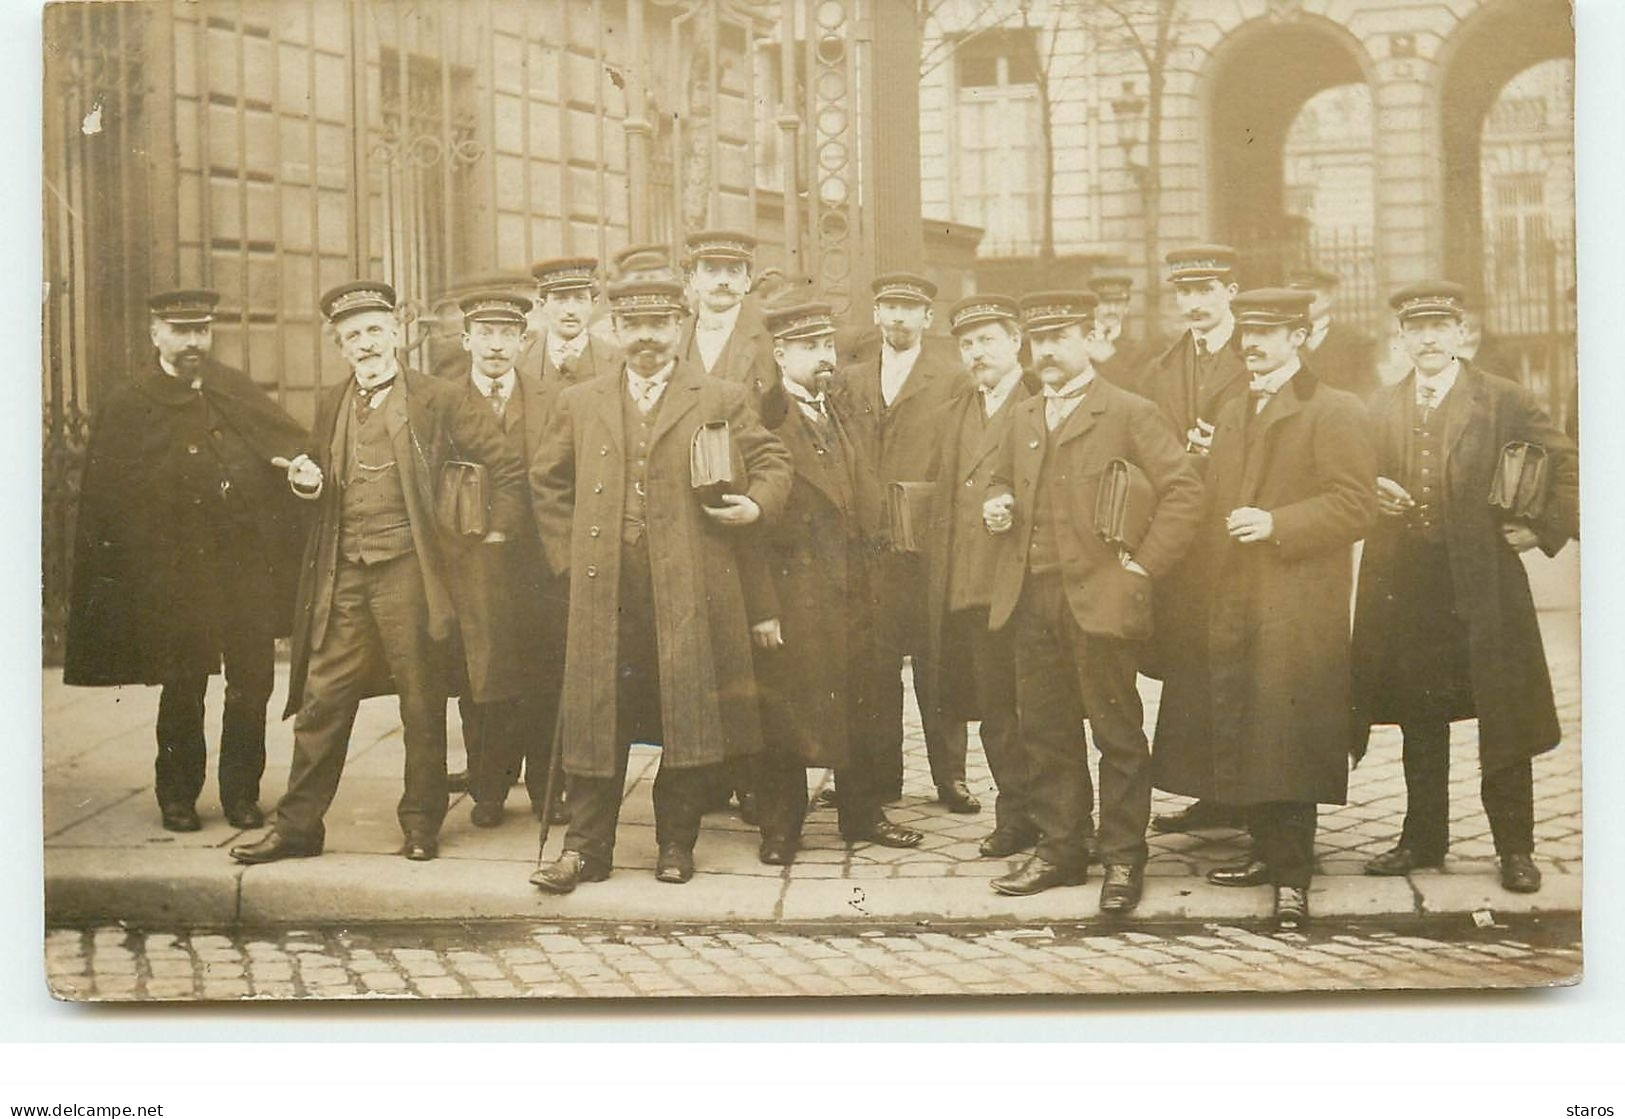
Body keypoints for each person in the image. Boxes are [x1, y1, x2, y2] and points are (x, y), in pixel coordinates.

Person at [230, 281, 527, 865]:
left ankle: (421, 822)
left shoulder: (438, 398)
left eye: (373, 331)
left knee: (420, 701)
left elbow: (506, 464)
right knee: (322, 698)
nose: (365, 344)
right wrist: (306, 481)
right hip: (345, 574)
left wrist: (495, 532)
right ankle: (298, 826)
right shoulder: (333, 400)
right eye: (352, 336)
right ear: (340, 347)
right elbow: (318, 468)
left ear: (395, 333)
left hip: (412, 573)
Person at [528, 278, 793, 892]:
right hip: (605, 587)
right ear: (615, 331)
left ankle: (676, 844)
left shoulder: (718, 395)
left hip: (689, 586)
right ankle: (585, 850)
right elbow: (547, 483)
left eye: (659, 324)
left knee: (687, 712)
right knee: (597, 714)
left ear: (681, 327)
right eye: (633, 325)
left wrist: (755, 505)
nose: (646, 337)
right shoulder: (581, 400)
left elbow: (774, 461)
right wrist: (574, 558)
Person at [1150, 288, 1376, 929]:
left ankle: (1293, 877)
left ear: (1300, 338)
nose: (1252, 343)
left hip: (1296, 599)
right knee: (1249, 720)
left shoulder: (1335, 410)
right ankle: (1266, 849)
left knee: (1288, 726)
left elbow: (1355, 505)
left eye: (1269, 332)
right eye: (1248, 331)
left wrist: (1277, 522)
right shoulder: (1231, 406)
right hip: (1232, 592)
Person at [1352, 280, 1578, 894]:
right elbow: (1351, 479)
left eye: (1439, 327)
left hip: (1483, 584)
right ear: (1400, 339)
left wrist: (1542, 526)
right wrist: (1373, 492)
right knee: (1420, 717)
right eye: (1415, 329)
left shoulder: (1503, 399)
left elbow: (1572, 462)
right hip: (1409, 586)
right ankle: (1423, 839)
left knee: (1502, 715)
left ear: (1461, 335)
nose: (1427, 338)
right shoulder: (1378, 406)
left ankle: (1516, 850)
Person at [981, 291, 1204, 911]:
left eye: (1060, 337)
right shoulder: (1023, 415)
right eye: (1038, 339)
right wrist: (996, 503)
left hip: (1100, 597)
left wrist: (1143, 566)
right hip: (1031, 596)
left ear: (1088, 340)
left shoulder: (1129, 411)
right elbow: (1001, 479)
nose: (1047, 351)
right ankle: (1061, 850)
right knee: (1046, 731)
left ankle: (1124, 859)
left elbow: (1184, 490)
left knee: (1117, 733)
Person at [65, 289, 313, 833]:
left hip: (245, 570)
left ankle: (241, 795)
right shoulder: (131, 403)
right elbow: (114, 502)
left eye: (201, 330)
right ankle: (177, 795)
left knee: (252, 683)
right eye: (180, 331)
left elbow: (286, 447)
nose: (193, 341)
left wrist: (295, 473)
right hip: (179, 575)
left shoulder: (232, 387)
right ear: (155, 334)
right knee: (185, 685)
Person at [746, 300, 924, 865]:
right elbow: (749, 531)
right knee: (786, 706)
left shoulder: (844, 408)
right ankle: (781, 827)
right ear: (780, 355)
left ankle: (862, 812)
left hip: (859, 584)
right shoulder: (761, 418)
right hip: (795, 590)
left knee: (866, 696)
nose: (824, 359)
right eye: (808, 348)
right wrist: (762, 608)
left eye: (827, 346)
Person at [836, 271, 976, 813]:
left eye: (908, 308)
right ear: (876, 314)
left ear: (927, 318)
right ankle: (881, 777)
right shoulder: (848, 378)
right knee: (874, 661)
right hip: (870, 542)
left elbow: (963, 453)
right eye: (888, 306)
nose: (896, 317)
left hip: (928, 539)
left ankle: (951, 777)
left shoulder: (953, 378)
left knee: (936, 659)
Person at [1137, 244, 1252, 836]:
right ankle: (1209, 793)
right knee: (1192, 665)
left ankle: (1251, 797)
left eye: (1206, 290)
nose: (1195, 303)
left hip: (1241, 536)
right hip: (1186, 539)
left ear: (1231, 292)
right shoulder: (1162, 367)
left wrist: (1221, 450)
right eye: (1185, 292)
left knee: (1242, 664)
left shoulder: (1254, 354)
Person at [446, 290, 567, 828]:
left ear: (524, 341)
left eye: (507, 334)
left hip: (538, 561)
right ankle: (488, 788)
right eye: (485, 334)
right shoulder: (442, 401)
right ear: (465, 340)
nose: (496, 346)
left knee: (544, 671)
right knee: (480, 676)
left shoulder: (553, 399)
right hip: (468, 559)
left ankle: (547, 788)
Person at [923, 295, 1039, 858]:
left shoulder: (1041, 400)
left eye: (988, 340)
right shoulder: (956, 411)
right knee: (995, 710)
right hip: (970, 586)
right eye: (967, 344)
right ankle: (1016, 816)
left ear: (1016, 341)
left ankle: (1054, 815)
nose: (976, 353)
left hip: (1026, 584)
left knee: (1038, 709)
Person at [677, 229, 778, 401]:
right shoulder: (675, 335)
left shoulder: (771, 334)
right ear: (693, 280)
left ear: (747, 282)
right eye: (711, 270)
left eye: (734, 271)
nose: (723, 281)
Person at [521, 257, 621, 390]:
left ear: (593, 304)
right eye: (560, 299)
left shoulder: (618, 361)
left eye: (580, 299)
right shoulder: (520, 361)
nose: (571, 310)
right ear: (541, 305)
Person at [1286, 266, 1378, 400]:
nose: (1299, 303)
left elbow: (1368, 394)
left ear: (1327, 299)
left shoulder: (1356, 341)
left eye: (1307, 297)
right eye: (1294, 297)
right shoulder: (1280, 339)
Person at [1085, 274, 1150, 390]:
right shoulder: (1079, 341)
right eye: (1105, 303)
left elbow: (1138, 394)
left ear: (1127, 307)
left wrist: (1109, 360)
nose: (1112, 310)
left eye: (1118, 303)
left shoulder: (1140, 351)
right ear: (1093, 306)